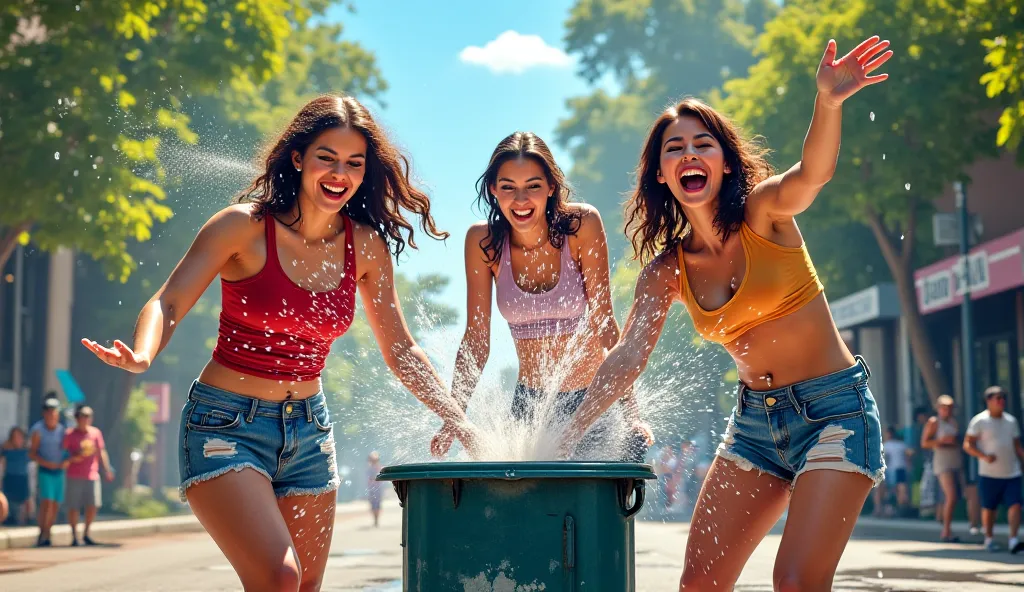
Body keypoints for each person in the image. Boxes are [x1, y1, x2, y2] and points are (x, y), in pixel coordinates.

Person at [82, 94, 478, 591]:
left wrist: (455, 414)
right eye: (326, 159)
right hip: (226, 425)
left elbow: (401, 348)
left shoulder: (367, 246)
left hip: (309, 432)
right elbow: (170, 300)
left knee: (305, 586)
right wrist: (143, 354)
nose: (340, 174)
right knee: (279, 577)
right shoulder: (243, 227)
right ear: (298, 158)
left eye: (354, 164)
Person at [565, 36, 892, 591]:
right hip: (754, 427)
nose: (689, 153)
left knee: (795, 581)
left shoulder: (765, 214)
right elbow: (625, 358)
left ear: (723, 160)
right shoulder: (666, 271)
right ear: (661, 175)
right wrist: (569, 429)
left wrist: (829, 103)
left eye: (703, 143)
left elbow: (811, 174)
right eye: (674, 148)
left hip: (835, 413)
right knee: (698, 585)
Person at [431, 131, 652, 461]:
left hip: (593, 403)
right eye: (508, 187)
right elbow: (476, 340)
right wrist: (454, 416)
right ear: (493, 189)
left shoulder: (581, 226)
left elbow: (605, 323)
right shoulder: (483, 243)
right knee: (527, 510)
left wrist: (631, 412)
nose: (521, 199)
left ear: (551, 186)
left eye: (532, 186)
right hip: (529, 407)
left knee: (593, 509)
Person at [964, 386, 1024, 554]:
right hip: (989, 473)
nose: (1001, 401)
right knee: (990, 508)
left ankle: (1013, 540)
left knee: (1016, 505)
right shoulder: (979, 421)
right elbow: (968, 444)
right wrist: (983, 456)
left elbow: (1017, 446)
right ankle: (989, 539)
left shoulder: (1011, 421)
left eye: (1003, 398)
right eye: (997, 398)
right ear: (988, 401)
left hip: (1012, 471)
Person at [63, 405, 114, 546]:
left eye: (87, 416)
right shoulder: (69, 434)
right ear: (77, 418)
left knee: (93, 504)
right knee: (73, 506)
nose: (84, 419)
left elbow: (101, 451)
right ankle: (74, 536)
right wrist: (73, 457)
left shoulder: (95, 433)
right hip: (74, 474)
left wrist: (107, 469)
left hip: (92, 474)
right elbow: (63, 453)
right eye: (82, 416)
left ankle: (86, 533)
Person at [922, 394, 964, 542]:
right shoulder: (934, 422)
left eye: (950, 407)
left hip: (955, 460)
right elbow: (925, 443)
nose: (947, 410)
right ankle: (945, 531)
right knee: (951, 496)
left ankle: (946, 524)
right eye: (944, 407)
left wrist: (953, 442)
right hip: (942, 462)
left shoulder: (953, 422)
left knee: (956, 496)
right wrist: (940, 441)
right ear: (939, 408)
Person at [29, 397, 69, 547]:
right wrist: (47, 463)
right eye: (49, 412)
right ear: (44, 414)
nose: (51, 415)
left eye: (54, 412)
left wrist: (64, 462)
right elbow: (32, 453)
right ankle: (42, 532)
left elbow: (67, 451)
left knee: (55, 504)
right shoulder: (37, 430)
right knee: (46, 503)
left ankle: (48, 533)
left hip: (59, 472)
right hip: (45, 470)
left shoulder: (62, 430)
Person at [876, 425, 911, 516]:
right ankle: (902, 509)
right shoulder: (902, 444)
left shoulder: (885, 445)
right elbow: (908, 455)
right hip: (901, 468)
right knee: (901, 489)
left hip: (891, 469)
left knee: (888, 489)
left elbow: (885, 459)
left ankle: (881, 508)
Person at [1, 426, 32, 525]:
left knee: (23, 501)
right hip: (10, 477)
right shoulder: (6, 449)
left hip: (22, 478)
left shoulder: (26, 450)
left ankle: (24, 521)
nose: (17, 439)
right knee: (9, 502)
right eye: (15, 437)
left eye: (19, 436)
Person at [367, 451, 382, 528]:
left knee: (377, 505)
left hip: (377, 489)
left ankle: (376, 520)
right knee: (373, 505)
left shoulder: (378, 468)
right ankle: (375, 520)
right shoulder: (370, 468)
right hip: (372, 489)